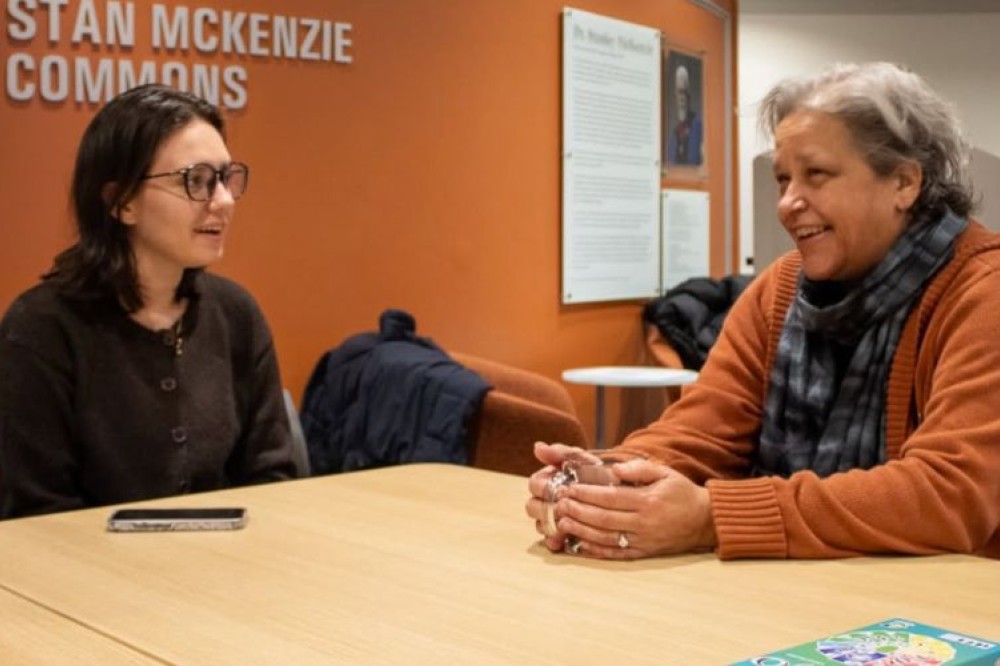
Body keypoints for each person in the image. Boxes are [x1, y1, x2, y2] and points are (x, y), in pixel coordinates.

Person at [526, 62, 1000, 560]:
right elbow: (702, 429)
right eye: (782, 179)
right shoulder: (779, 288)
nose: (789, 202)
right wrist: (608, 482)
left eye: (816, 175)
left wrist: (714, 517)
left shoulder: (981, 292)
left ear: (904, 182)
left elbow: (948, 496)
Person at [0, 84, 301, 519]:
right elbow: (36, 514)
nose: (223, 201)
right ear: (121, 202)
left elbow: (271, 481)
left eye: (225, 179)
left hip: (222, 571)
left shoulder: (236, 314)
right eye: (195, 181)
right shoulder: (40, 329)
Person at [668, 64, 703, 166]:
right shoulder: (674, 133)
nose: (682, 98)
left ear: (689, 95)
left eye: (684, 92)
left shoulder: (698, 125)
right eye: (679, 92)